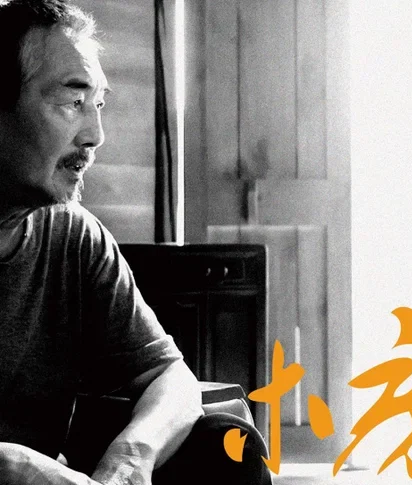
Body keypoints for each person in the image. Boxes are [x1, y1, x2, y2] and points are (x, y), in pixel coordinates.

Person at [0, 0, 269, 483]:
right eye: (72, 102)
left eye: (99, 104)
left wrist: (131, 457)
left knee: (224, 447)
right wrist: (14, 465)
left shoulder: (74, 236)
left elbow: (170, 377)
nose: (95, 135)